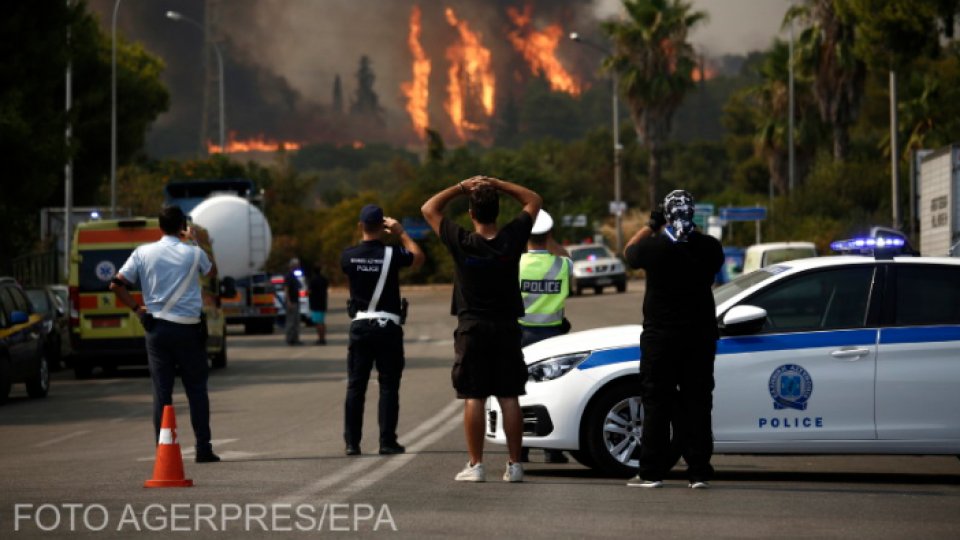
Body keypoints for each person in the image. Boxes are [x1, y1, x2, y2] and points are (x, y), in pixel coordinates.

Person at [421, 175, 541, 483]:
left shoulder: (461, 241)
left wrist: (461, 187)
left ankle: (475, 465)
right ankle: (515, 465)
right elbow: (533, 200)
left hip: (472, 327)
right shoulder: (511, 238)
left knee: (474, 396)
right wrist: (500, 184)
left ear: (471, 214)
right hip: (506, 327)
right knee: (509, 395)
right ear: (497, 212)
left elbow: (429, 208)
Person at [622, 190, 723, 489]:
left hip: (661, 338)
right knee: (698, 402)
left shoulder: (653, 248)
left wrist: (652, 225)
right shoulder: (710, 247)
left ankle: (652, 471)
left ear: (666, 215)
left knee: (657, 402)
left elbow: (629, 251)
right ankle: (699, 471)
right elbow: (709, 265)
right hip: (700, 337)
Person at [109, 205, 220, 463]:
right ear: (182, 226)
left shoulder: (142, 253)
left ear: (159, 227)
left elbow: (116, 284)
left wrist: (138, 309)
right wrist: (195, 240)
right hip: (189, 329)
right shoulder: (194, 253)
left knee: (162, 392)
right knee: (196, 390)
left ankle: (164, 452)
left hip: (157, 328)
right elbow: (212, 272)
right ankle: (203, 448)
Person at [340, 204, 425, 456]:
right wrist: (402, 232)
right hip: (387, 326)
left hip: (360, 325)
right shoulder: (392, 253)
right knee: (388, 385)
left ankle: (352, 443)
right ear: (383, 227)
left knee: (356, 386)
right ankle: (387, 441)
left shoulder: (348, 255)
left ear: (360, 226)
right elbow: (418, 258)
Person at [517, 209, 572, 464]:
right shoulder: (562, 264)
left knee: (519, 391)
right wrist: (551, 241)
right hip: (553, 335)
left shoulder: (515, 264)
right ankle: (553, 449)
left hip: (521, 335)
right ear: (549, 234)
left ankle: (521, 448)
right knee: (553, 389)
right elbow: (566, 256)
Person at [308, 263, 329, 345]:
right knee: (322, 321)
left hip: (315, 304)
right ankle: (323, 338)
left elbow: (310, 291)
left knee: (318, 322)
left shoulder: (313, 280)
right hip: (323, 302)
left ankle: (321, 339)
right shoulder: (324, 279)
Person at [284, 258, 303, 346]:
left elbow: (299, 286)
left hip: (296, 300)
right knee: (291, 322)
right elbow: (286, 289)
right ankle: (290, 339)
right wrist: (288, 301)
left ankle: (295, 339)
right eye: (297, 265)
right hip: (292, 302)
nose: (298, 266)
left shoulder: (294, 276)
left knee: (296, 321)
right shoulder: (289, 276)